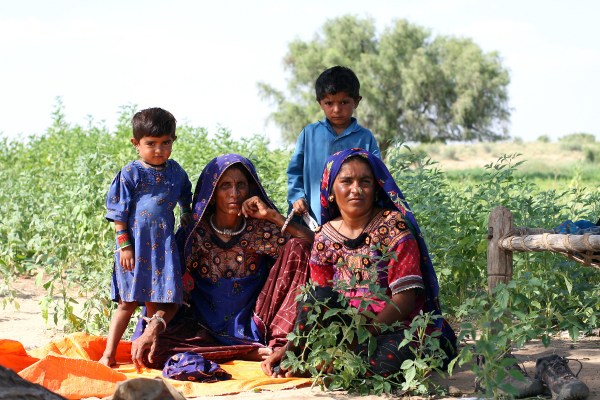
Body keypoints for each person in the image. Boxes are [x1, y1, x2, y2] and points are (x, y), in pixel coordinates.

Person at [262, 148, 457, 378]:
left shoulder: (394, 226)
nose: (356, 189)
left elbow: (404, 300)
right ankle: (322, 362)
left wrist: (361, 337)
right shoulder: (324, 237)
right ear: (330, 191)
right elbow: (321, 303)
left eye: (365, 182)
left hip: (393, 328)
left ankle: (333, 365)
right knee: (314, 297)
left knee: (400, 354)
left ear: (375, 189)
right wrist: (289, 348)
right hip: (344, 331)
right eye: (347, 181)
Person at [129, 154, 314, 372]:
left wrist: (273, 216)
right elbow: (174, 291)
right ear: (212, 192)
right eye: (225, 186)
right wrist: (154, 327)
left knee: (298, 246)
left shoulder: (260, 229)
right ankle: (247, 351)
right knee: (153, 351)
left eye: (241, 185)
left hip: (255, 322)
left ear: (250, 189)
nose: (234, 193)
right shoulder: (194, 235)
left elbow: (312, 244)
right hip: (204, 327)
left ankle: (263, 345)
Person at [100, 108, 193, 367]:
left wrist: (186, 212)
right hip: (134, 249)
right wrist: (124, 247)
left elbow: (186, 193)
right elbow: (118, 213)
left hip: (163, 249)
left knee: (155, 300)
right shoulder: (131, 173)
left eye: (166, 143)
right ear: (136, 143)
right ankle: (108, 354)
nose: (159, 150)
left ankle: (146, 355)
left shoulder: (176, 172)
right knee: (127, 302)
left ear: (173, 141)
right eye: (151, 144)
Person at [286, 66, 381, 225]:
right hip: (313, 217)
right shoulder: (309, 134)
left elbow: (377, 177)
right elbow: (295, 172)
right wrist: (297, 197)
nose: (336, 110)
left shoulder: (365, 138)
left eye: (344, 102)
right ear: (320, 103)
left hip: (355, 219)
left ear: (357, 101)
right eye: (329, 103)